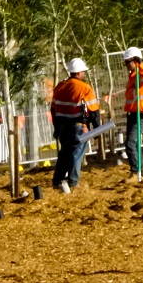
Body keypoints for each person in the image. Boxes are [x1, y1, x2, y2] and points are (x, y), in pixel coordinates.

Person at [50, 57, 100, 193]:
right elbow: (94, 111)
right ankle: (73, 182)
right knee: (76, 154)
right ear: (78, 73)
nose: (84, 74)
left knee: (64, 154)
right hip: (78, 127)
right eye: (83, 72)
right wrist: (97, 129)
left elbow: (53, 110)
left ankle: (57, 180)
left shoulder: (60, 87)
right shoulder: (84, 88)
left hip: (62, 127)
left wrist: (56, 128)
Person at [122, 46, 143, 182]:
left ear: (135, 60)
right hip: (132, 113)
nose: (126, 65)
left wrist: (141, 66)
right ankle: (140, 172)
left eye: (128, 62)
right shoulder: (133, 76)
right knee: (132, 144)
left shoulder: (142, 74)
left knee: (130, 144)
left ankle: (136, 172)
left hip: (140, 114)